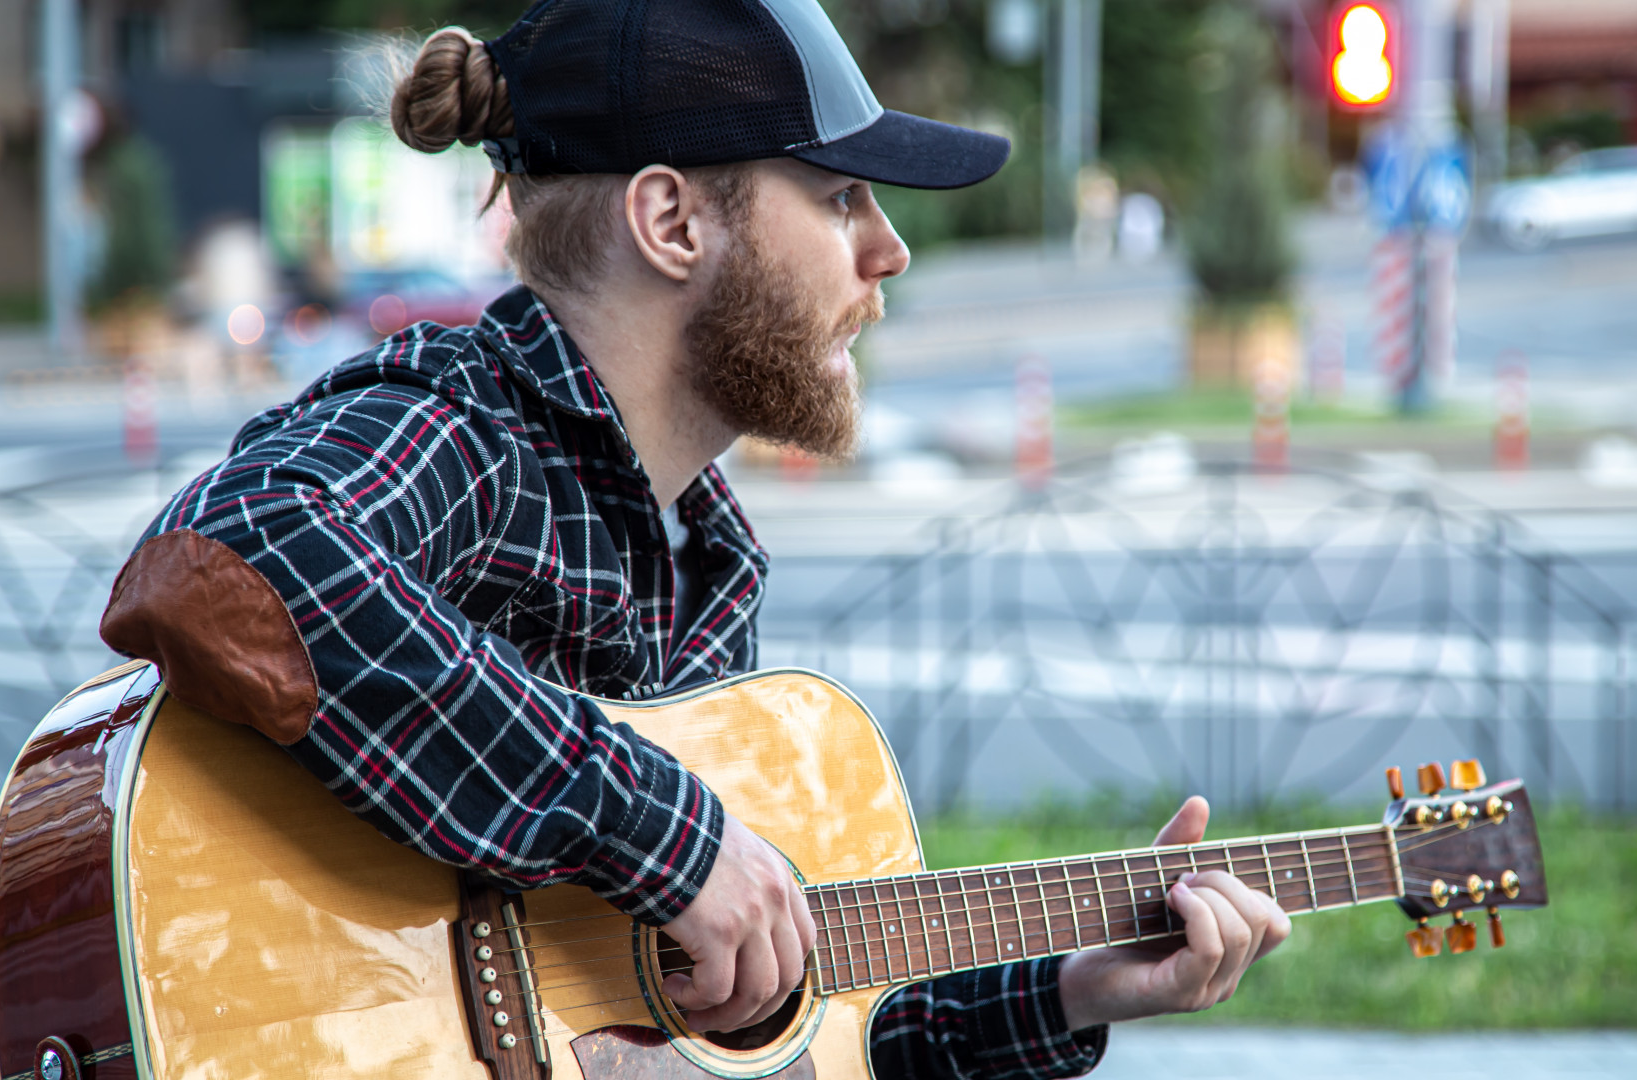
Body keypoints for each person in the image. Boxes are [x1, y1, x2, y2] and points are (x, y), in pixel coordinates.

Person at [96, 1, 1289, 1076]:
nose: (890, 250)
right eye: (840, 195)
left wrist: (1078, 986)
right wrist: (665, 835)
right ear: (671, 218)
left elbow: (786, 1026)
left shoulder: (703, 562)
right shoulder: (472, 436)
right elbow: (233, 556)